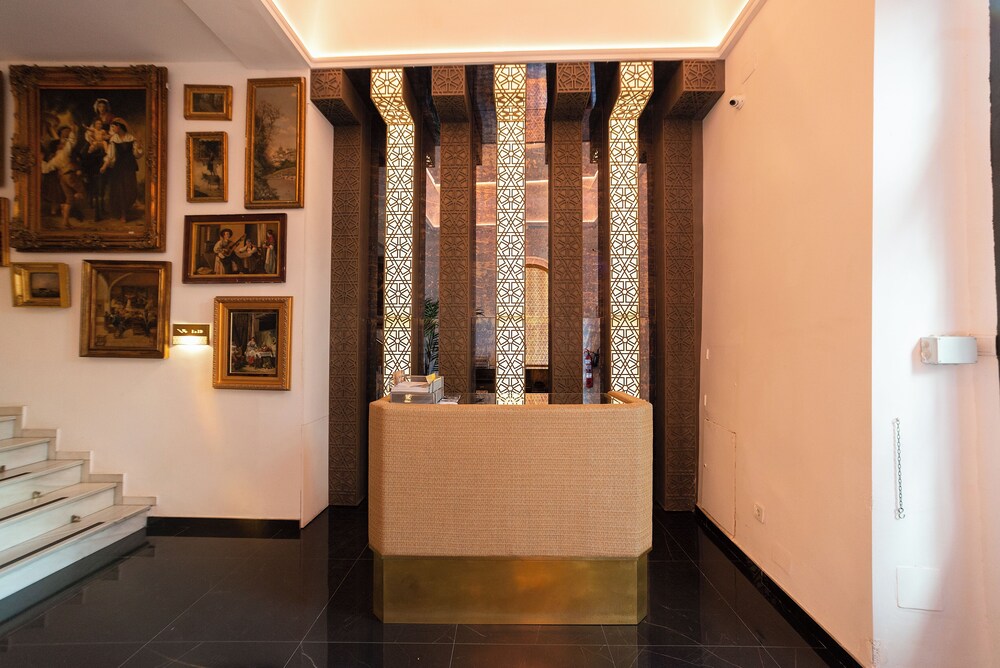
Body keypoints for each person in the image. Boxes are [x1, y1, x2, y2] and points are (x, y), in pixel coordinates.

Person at [40, 125, 86, 227]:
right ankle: (78, 196)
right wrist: (73, 131)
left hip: (62, 179)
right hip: (70, 176)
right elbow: (71, 141)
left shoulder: (54, 159)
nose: (63, 143)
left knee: (69, 199)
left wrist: (41, 161)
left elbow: (45, 169)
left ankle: (65, 221)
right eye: (61, 143)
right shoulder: (64, 152)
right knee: (82, 191)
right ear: (58, 147)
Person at [100, 118, 142, 223]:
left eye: (113, 127)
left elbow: (137, 155)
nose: (112, 129)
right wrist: (104, 166)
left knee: (130, 190)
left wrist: (138, 147)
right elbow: (110, 155)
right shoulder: (114, 139)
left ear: (119, 127)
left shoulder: (131, 138)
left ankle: (126, 210)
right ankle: (123, 214)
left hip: (129, 167)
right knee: (120, 191)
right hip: (119, 168)